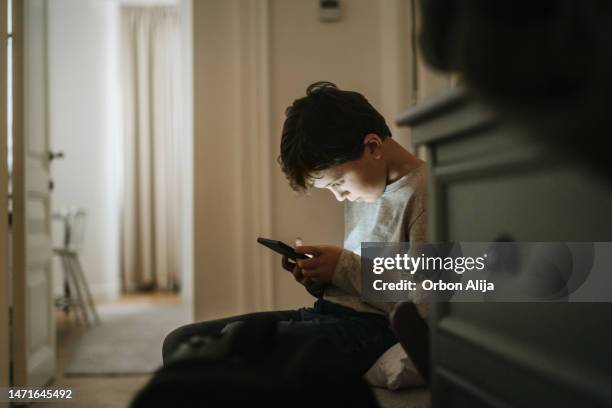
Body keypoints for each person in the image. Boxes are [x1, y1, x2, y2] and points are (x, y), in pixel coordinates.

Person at [162, 81, 428, 376]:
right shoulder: (368, 188)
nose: (339, 196)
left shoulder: (427, 194)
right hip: (331, 314)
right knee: (180, 343)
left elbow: (428, 303)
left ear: (373, 147)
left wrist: (344, 267)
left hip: (373, 329)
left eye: (338, 183)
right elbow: (359, 282)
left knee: (223, 349)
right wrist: (321, 278)